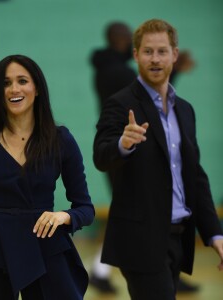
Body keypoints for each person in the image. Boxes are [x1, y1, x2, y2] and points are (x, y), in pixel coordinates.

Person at [93, 19, 223, 300]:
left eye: (162, 51)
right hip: (141, 240)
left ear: (174, 55)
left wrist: (215, 235)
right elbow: (101, 156)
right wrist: (122, 144)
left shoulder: (185, 110)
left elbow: (195, 176)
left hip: (179, 237)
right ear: (136, 54)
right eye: (148, 51)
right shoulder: (120, 103)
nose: (155, 59)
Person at [0, 54, 95, 300]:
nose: (14, 89)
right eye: (6, 83)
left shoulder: (61, 140)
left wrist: (64, 216)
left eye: (22, 81)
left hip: (45, 247)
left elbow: (85, 208)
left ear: (37, 88)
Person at [89, 21, 136, 294]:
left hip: (116, 146)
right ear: (118, 40)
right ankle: (99, 268)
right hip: (122, 148)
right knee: (127, 210)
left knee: (127, 209)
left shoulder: (106, 68)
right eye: (128, 38)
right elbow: (148, 97)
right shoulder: (118, 72)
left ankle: (100, 268)